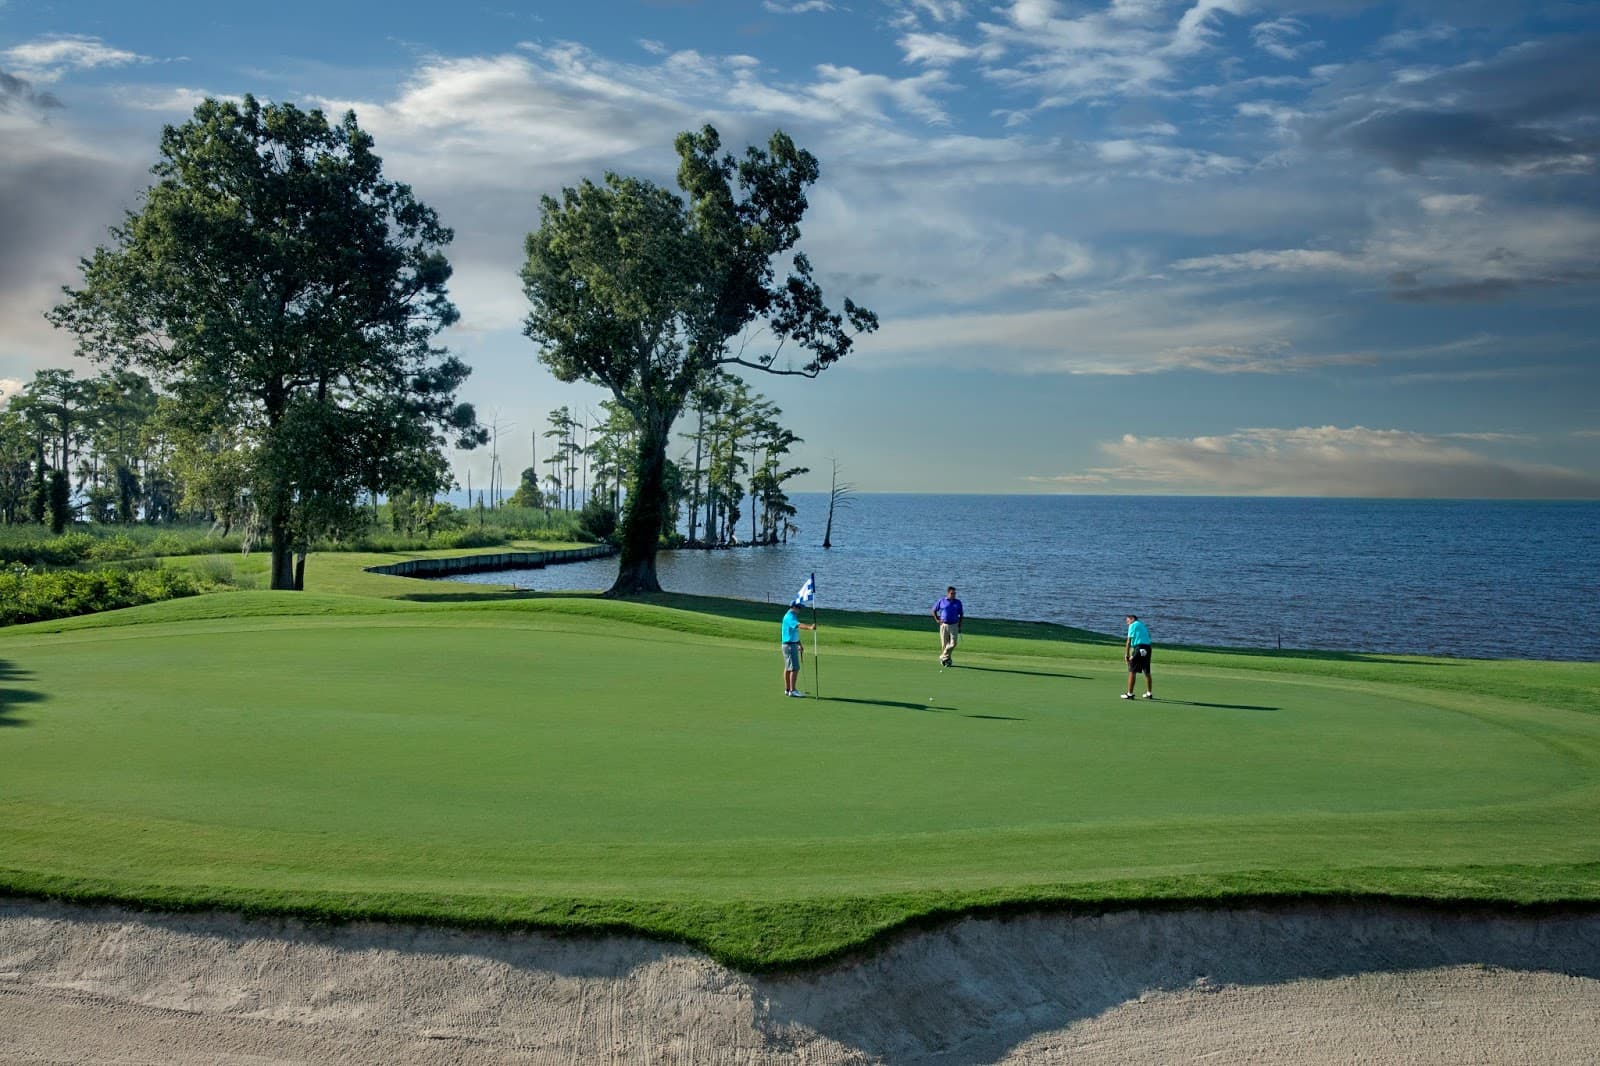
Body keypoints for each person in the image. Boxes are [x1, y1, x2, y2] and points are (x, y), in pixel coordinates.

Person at [781, 603, 816, 697]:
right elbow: (799, 625)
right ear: (793, 607)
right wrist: (810, 627)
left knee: (788, 668)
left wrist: (799, 644)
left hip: (790, 644)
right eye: (799, 608)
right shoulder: (790, 617)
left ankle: (788, 689)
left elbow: (793, 632)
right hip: (789, 646)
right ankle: (792, 690)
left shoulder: (792, 616)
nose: (800, 610)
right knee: (795, 668)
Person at [931, 586, 964, 667]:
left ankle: (943, 656)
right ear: (948, 593)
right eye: (952, 593)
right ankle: (946, 660)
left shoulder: (958, 602)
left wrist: (959, 625)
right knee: (944, 644)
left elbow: (961, 614)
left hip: (954, 625)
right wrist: (937, 620)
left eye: (955, 593)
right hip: (944, 625)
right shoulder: (941, 601)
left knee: (953, 643)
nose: (954, 595)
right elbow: (934, 610)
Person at [1123, 614, 1153, 699]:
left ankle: (1130, 694)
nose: (1127, 623)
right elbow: (1141, 641)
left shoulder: (1133, 625)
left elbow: (1128, 641)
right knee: (1147, 671)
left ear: (1132, 619)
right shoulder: (1142, 625)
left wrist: (1127, 654)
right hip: (1148, 648)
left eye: (1127, 621)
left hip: (1139, 648)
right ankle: (1149, 693)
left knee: (1132, 671)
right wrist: (1133, 653)